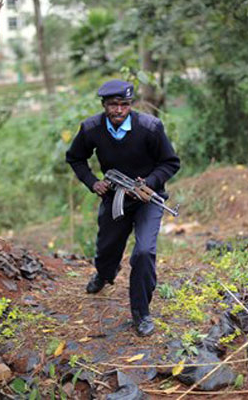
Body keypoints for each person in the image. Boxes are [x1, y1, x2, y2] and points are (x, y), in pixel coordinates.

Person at [65, 79, 180, 336]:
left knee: (143, 253)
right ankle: (105, 274)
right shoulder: (92, 128)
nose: (118, 110)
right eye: (113, 105)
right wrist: (93, 182)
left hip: (148, 199)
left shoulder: (150, 128)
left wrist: (148, 182)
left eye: (124, 105)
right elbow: (75, 157)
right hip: (114, 197)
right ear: (104, 105)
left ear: (131, 105)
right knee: (106, 248)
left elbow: (171, 163)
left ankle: (141, 313)